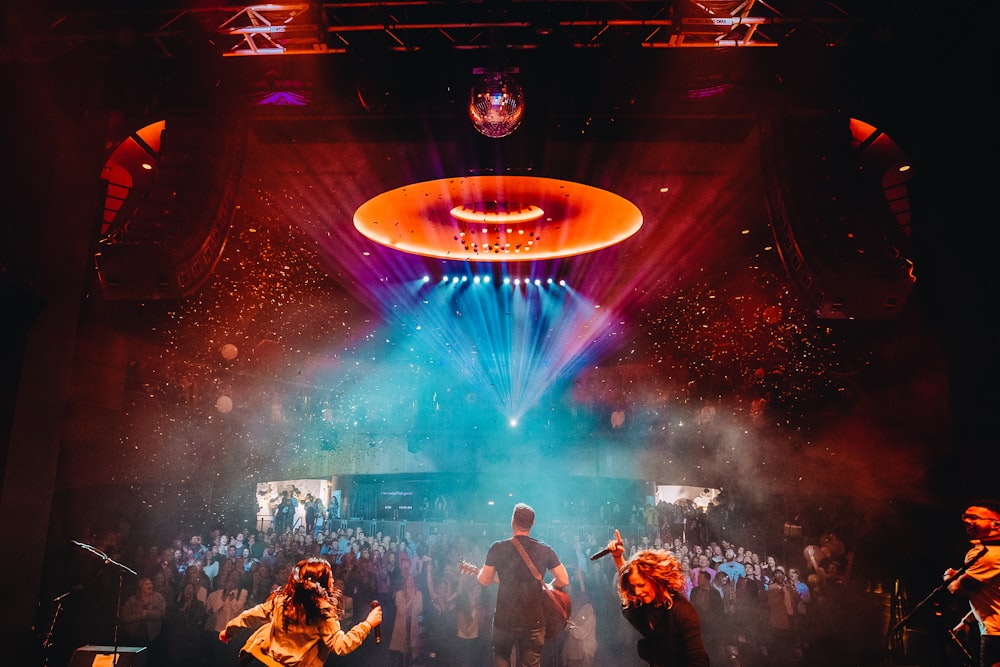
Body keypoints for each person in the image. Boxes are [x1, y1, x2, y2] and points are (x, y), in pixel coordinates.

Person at [219, 557, 382, 667]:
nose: (333, 580)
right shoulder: (322, 613)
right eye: (330, 577)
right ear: (321, 582)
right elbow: (341, 646)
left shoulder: (282, 600)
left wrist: (229, 630)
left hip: (265, 662)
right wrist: (367, 624)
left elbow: (251, 616)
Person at [476, 502, 571, 667]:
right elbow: (564, 580)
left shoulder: (497, 548)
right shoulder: (545, 549)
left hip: (504, 621)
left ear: (512, 521)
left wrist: (480, 573)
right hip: (533, 622)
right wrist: (547, 586)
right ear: (532, 524)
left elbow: (484, 580)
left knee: (501, 660)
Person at [604, 529, 709, 667]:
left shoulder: (683, 612)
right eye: (634, 587)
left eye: (641, 585)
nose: (637, 591)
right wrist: (618, 558)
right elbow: (631, 583)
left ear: (655, 580)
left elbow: (698, 659)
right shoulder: (649, 605)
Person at [945, 500, 1000, 667]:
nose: (968, 522)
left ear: (996, 524)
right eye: (966, 517)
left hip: (996, 635)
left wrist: (949, 577)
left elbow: (957, 589)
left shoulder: (987, 555)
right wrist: (968, 620)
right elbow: (991, 596)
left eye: (974, 517)